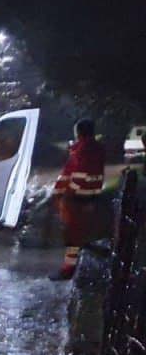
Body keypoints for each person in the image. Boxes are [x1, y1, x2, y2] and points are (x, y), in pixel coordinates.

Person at [51, 118, 107, 280]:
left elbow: (77, 175)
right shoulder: (97, 149)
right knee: (79, 233)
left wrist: (66, 194)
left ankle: (68, 271)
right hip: (90, 196)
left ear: (79, 133)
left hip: (76, 199)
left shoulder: (82, 150)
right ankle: (91, 249)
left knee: (72, 237)